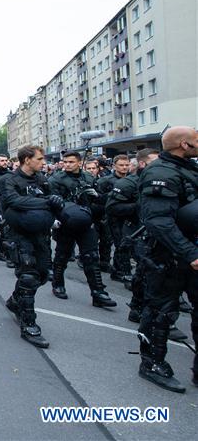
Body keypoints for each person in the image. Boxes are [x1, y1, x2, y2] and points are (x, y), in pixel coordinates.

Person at [135, 126, 198, 392]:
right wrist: (191, 254)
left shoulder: (189, 168)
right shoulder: (160, 173)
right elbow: (159, 222)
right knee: (161, 312)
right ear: (184, 144)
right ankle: (152, 364)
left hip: (190, 250)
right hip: (168, 255)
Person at [0, 145, 62, 348]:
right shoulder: (9, 180)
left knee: (42, 274)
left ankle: (16, 300)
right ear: (27, 160)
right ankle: (29, 324)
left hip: (41, 234)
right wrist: (44, 203)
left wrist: (55, 201)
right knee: (28, 275)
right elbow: (13, 200)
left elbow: (52, 201)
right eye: (40, 159)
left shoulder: (42, 180)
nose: (43, 162)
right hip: (19, 234)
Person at [48, 151, 116, 308]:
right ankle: (58, 284)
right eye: (65, 162)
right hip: (66, 221)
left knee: (91, 257)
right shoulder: (56, 179)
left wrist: (97, 196)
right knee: (62, 255)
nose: (67, 164)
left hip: (86, 221)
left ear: (79, 163)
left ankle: (98, 292)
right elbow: (51, 202)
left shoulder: (89, 178)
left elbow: (98, 201)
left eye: (71, 162)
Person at [108, 148, 159, 324]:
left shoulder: (158, 181)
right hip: (134, 229)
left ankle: (140, 307)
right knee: (146, 270)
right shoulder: (127, 184)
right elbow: (112, 208)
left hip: (155, 230)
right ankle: (140, 309)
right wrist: (136, 206)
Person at [99, 154, 135, 284]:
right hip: (111, 218)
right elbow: (99, 199)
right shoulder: (105, 181)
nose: (124, 167)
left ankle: (118, 270)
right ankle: (121, 272)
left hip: (128, 216)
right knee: (119, 244)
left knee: (125, 245)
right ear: (114, 166)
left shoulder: (132, 180)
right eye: (121, 165)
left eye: (126, 165)